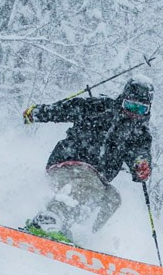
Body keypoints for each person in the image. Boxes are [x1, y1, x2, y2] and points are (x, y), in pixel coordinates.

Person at [21, 76, 154, 245]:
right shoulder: (99, 108)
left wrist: (141, 166)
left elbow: (140, 155)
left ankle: (81, 233)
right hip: (68, 162)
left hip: (97, 177)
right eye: (130, 105)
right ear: (123, 99)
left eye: (140, 109)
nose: (133, 113)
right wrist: (37, 113)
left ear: (148, 110)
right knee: (87, 183)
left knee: (112, 198)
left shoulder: (139, 135)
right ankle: (47, 220)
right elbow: (66, 108)